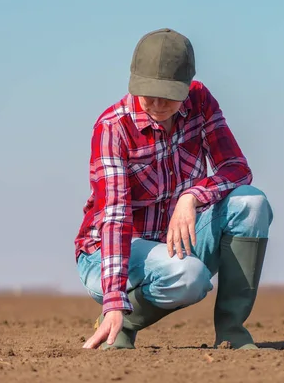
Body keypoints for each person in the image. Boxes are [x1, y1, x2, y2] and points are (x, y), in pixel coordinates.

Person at [73, 28, 273, 350]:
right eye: (147, 92)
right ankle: (118, 322)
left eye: (168, 94)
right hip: (111, 254)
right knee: (189, 278)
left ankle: (232, 332)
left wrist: (192, 197)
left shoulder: (201, 101)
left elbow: (237, 168)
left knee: (252, 203)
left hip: (174, 239)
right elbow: (115, 216)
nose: (156, 103)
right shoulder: (112, 128)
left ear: (185, 85)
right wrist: (113, 298)